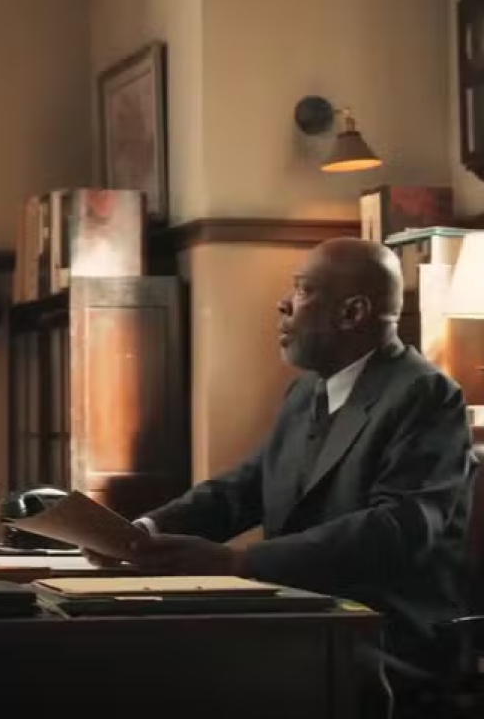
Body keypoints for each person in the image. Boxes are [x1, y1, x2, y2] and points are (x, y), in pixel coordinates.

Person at [95, 237, 473, 715]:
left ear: (352, 313)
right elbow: (245, 487)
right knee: (147, 652)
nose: (283, 303)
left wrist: (240, 562)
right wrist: (141, 532)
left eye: (302, 289)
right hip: (304, 613)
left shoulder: (426, 395)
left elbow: (400, 527)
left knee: (192, 671)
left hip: (387, 634)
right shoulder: (305, 391)